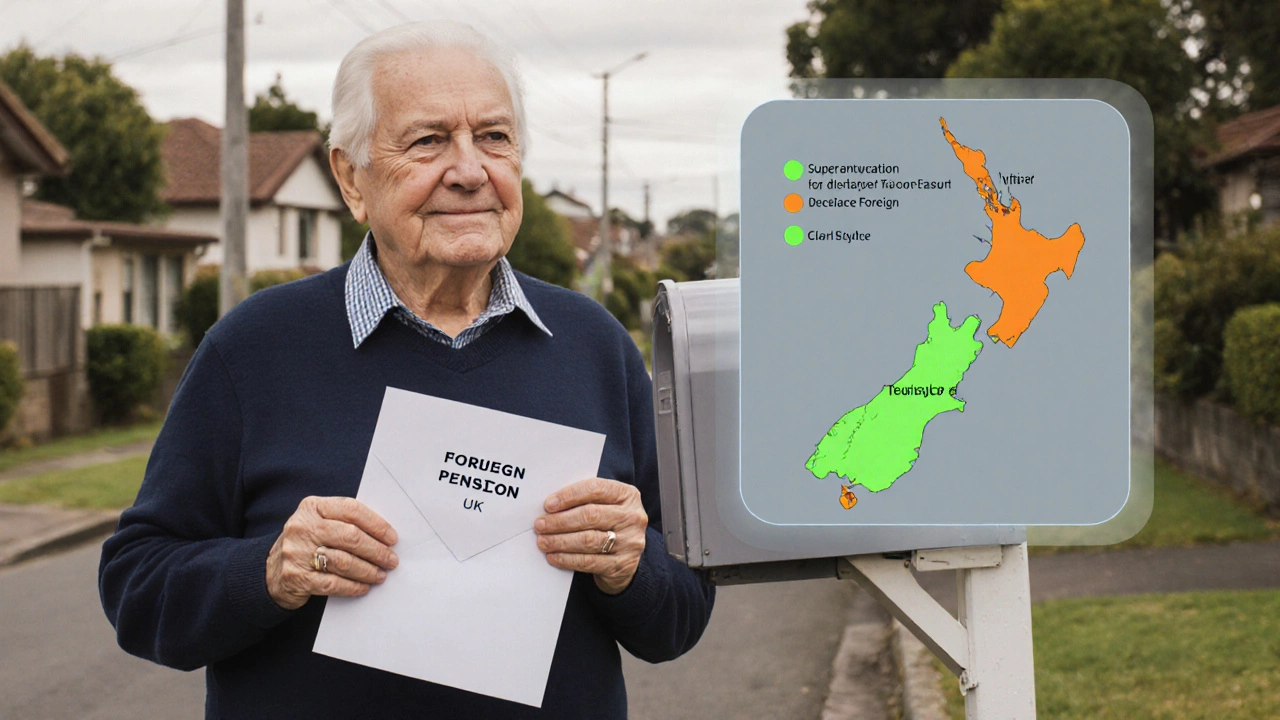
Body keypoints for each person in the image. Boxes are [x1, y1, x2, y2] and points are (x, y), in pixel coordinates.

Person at [98, 21, 715, 719]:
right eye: (427, 141)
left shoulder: (595, 346)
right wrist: (267, 571)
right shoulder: (254, 348)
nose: (469, 169)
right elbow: (137, 587)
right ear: (350, 177)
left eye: (494, 137)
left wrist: (630, 566)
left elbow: (681, 617)